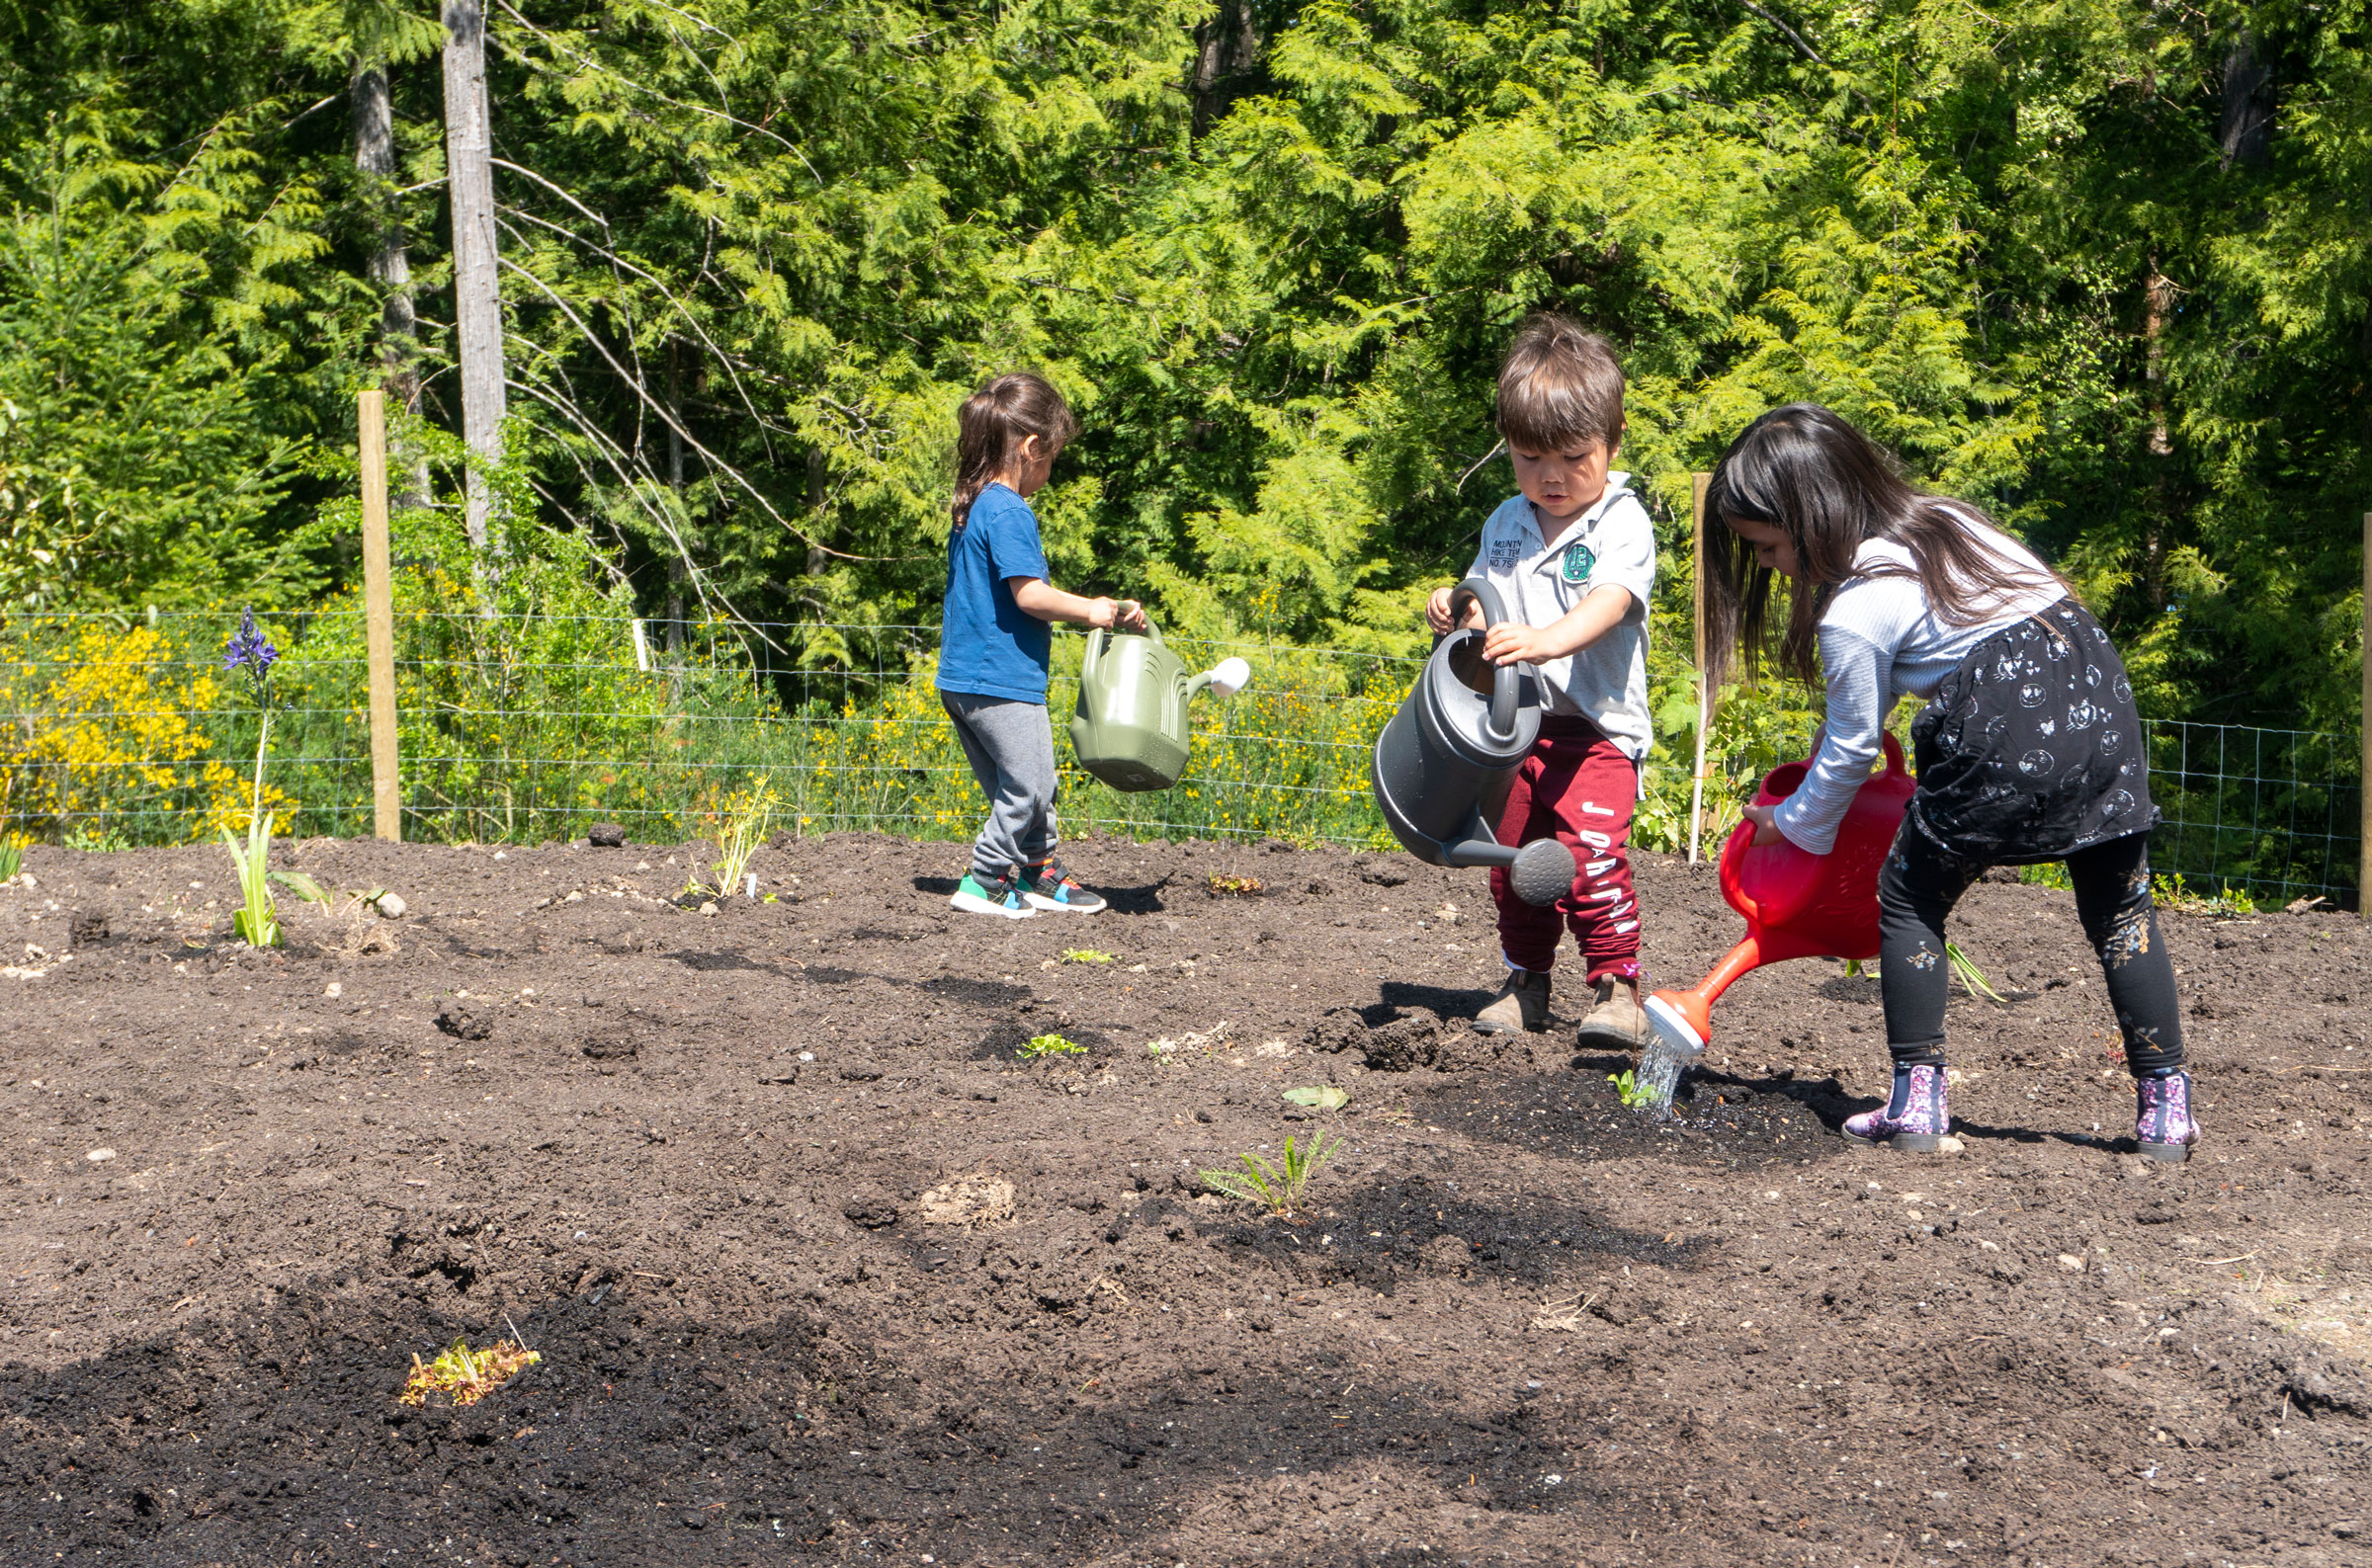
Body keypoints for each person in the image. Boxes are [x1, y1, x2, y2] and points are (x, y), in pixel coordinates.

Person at [1704, 403, 2195, 1161]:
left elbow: (1852, 748)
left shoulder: (1855, 608)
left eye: (1769, 548)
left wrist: (1790, 820)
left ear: (1812, 517)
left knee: (1908, 895)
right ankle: (2167, 1114)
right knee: (2121, 909)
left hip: (2003, 710)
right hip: (2095, 685)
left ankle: (1918, 1104)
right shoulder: (1948, 525)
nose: (1773, 566)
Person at [1426, 314, 1657, 1050]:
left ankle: (1618, 988)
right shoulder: (1506, 520)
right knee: (1514, 859)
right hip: (1515, 726)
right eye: (1529, 459)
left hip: (1596, 732)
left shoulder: (1622, 523)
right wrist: (1455, 605)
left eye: (1571, 457)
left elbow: (1610, 601)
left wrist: (1544, 641)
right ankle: (1525, 981)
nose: (1551, 477)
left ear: (1613, 441)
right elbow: (1482, 598)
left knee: (1589, 855)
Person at [936, 372, 1145, 919]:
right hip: (999, 678)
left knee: (1033, 782)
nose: (1049, 473)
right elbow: (1030, 596)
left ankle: (1038, 870)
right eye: (1051, 458)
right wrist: (1094, 610)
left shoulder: (974, 504)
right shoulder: (1008, 510)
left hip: (964, 679)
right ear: (1031, 449)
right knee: (1028, 785)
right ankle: (984, 880)